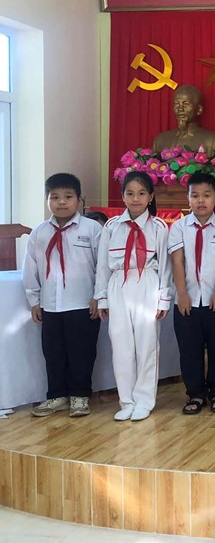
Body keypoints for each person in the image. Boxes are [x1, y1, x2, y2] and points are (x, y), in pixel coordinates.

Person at [23, 173, 103, 418]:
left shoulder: (92, 229)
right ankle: (56, 395)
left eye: (68, 197)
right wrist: (34, 300)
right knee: (53, 352)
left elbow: (102, 266)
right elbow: (30, 268)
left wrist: (99, 296)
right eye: (54, 197)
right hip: (51, 306)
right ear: (47, 200)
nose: (61, 202)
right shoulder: (39, 232)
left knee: (82, 352)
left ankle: (80, 395)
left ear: (79, 199)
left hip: (83, 304)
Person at [95, 171, 171, 422]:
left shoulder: (158, 227)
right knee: (121, 346)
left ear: (150, 197)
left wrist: (163, 298)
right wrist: (102, 298)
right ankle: (126, 400)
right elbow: (102, 266)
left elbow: (166, 266)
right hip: (118, 284)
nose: (135, 199)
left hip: (147, 282)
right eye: (130, 193)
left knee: (147, 345)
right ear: (122, 196)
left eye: (141, 193)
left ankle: (144, 400)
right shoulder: (111, 227)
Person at [168, 173, 215, 415]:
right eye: (195, 196)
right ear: (188, 199)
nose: (200, 201)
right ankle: (195, 393)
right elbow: (177, 262)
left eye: (206, 195)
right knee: (190, 350)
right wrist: (182, 294)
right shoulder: (178, 227)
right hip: (187, 300)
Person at [152, 84, 215, 155]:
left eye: (186, 104)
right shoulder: (160, 140)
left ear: (199, 109)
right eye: (177, 104)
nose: (180, 109)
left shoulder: (213, 141)